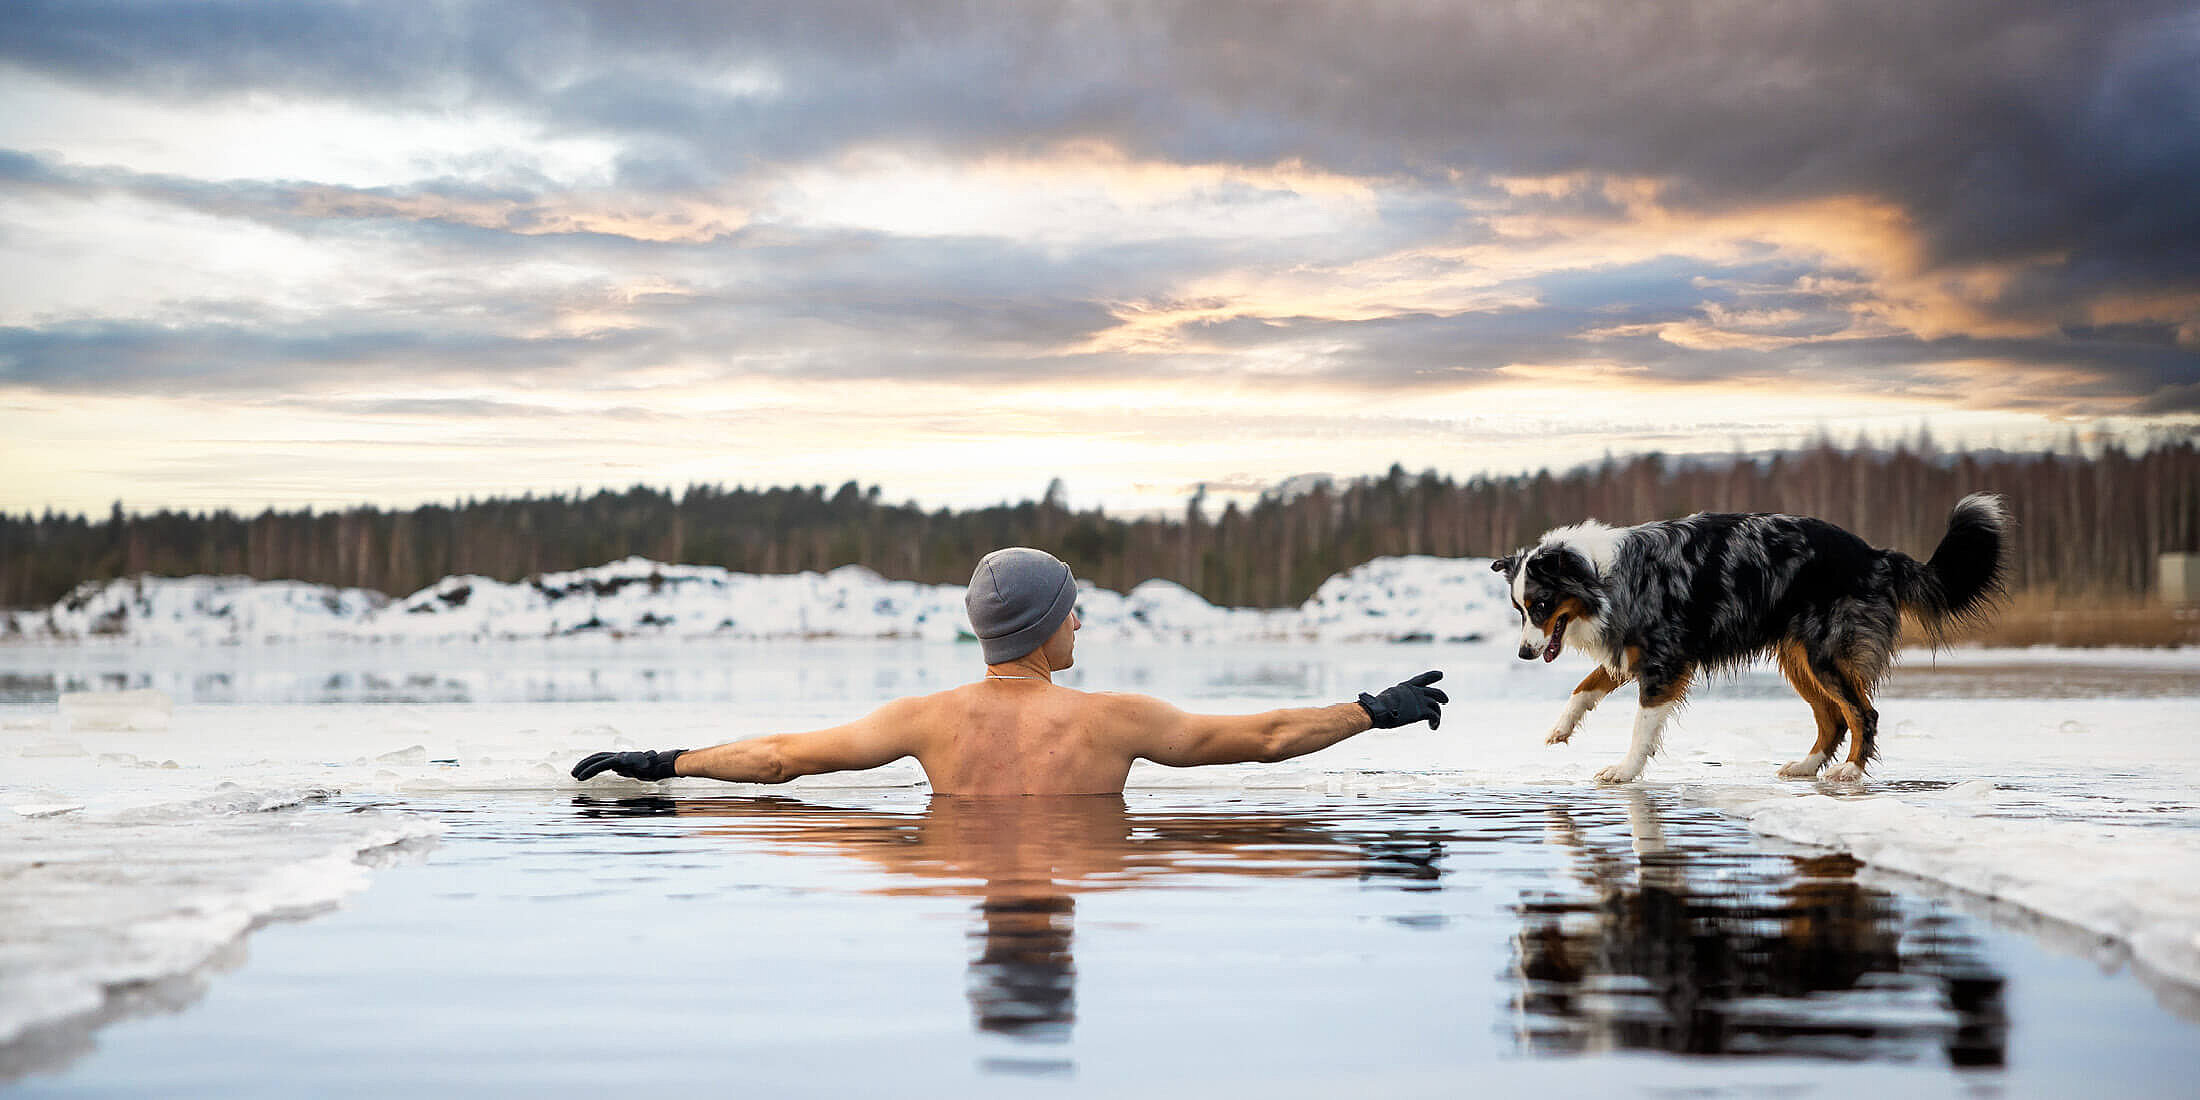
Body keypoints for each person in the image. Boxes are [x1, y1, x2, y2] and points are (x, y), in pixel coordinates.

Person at [571, 547, 1446, 796]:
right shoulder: (1113, 720)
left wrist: (667, 764)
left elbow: (780, 759)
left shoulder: (925, 720)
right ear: (1039, 625)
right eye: (1071, 607)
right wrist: (1373, 709)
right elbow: (1262, 739)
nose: (1081, 619)